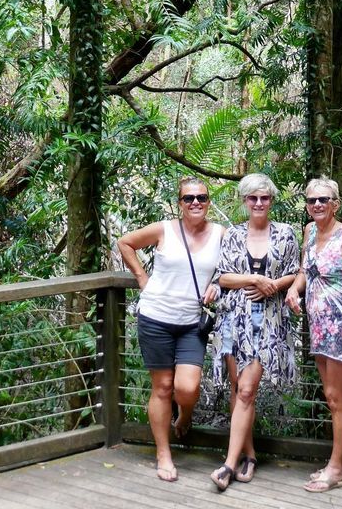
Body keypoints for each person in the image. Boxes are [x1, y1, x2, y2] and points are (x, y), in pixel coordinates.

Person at [117, 176, 223, 484]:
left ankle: (185, 414)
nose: (195, 203)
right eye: (189, 198)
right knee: (163, 387)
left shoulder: (220, 234)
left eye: (201, 197)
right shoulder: (164, 229)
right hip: (156, 317)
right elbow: (125, 243)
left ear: (208, 202)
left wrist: (217, 283)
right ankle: (163, 454)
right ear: (179, 203)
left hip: (192, 322)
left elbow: (232, 265)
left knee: (187, 388)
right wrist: (142, 278)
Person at [285, 176, 342, 493]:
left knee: (337, 398)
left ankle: (335, 469)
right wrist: (294, 290)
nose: (317, 205)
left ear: (335, 204)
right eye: (312, 200)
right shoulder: (309, 231)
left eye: (323, 199)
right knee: (332, 395)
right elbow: (304, 271)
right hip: (318, 326)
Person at [209, 173, 299, 492]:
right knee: (238, 389)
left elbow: (295, 273)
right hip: (234, 320)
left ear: (271, 200)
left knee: (247, 390)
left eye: (264, 197)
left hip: (269, 322)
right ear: (244, 201)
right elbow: (223, 277)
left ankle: (227, 465)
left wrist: (273, 284)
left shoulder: (286, 234)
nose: (259, 203)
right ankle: (249, 456)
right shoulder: (233, 234)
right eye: (253, 198)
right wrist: (254, 279)